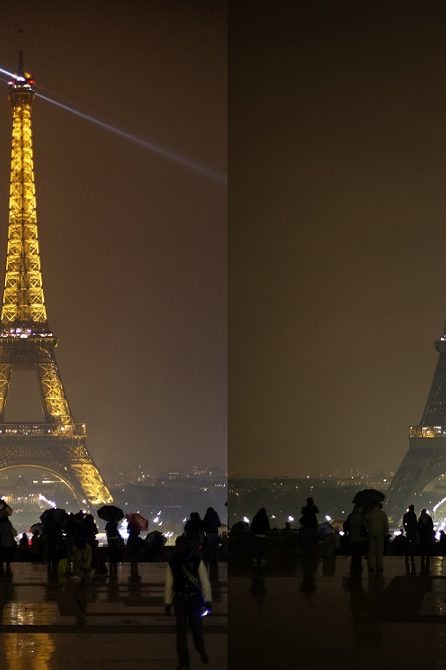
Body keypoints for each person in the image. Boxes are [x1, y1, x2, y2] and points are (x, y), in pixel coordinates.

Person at [165, 535, 212, 669]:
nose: (180, 548)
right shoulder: (174, 562)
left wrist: (208, 600)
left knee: (196, 631)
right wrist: (168, 602)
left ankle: (201, 650)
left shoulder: (196, 561)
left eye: (182, 545)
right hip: (181, 600)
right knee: (181, 634)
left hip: (194, 600)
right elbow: (169, 584)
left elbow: (205, 582)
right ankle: (184, 663)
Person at [365, 501, 389, 573]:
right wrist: (385, 533)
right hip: (380, 533)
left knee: (371, 551)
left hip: (371, 533)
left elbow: (365, 524)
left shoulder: (369, 514)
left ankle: (371, 566)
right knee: (379, 551)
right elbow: (386, 525)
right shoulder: (382, 514)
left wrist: (368, 530)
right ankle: (380, 566)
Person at [344, 504, 367, 574]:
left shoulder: (351, 516)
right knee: (359, 554)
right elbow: (365, 527)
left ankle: (353, 566)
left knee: (354, 554)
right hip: (360, 538)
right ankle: (359, 566)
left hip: (352, 537)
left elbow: (346, 526)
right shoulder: (363, 517)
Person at [418, 508, 434, 573]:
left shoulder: (420, 518)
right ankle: (427, 556)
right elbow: (431, 526)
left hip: (422, 536)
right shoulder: (429, 518)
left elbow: (418, 527)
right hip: (427, 536)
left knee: (423, 548)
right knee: (427, 548)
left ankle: (423, 556)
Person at [403, 504, 418, 571]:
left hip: (408, 531)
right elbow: (415, 523)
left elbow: (404, 523)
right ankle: (412, 553)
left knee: (408, 543)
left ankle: (407, 553)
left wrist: (406, 528)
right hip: (412, 531)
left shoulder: (406, 515)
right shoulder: (414, 515)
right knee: (412, 544)